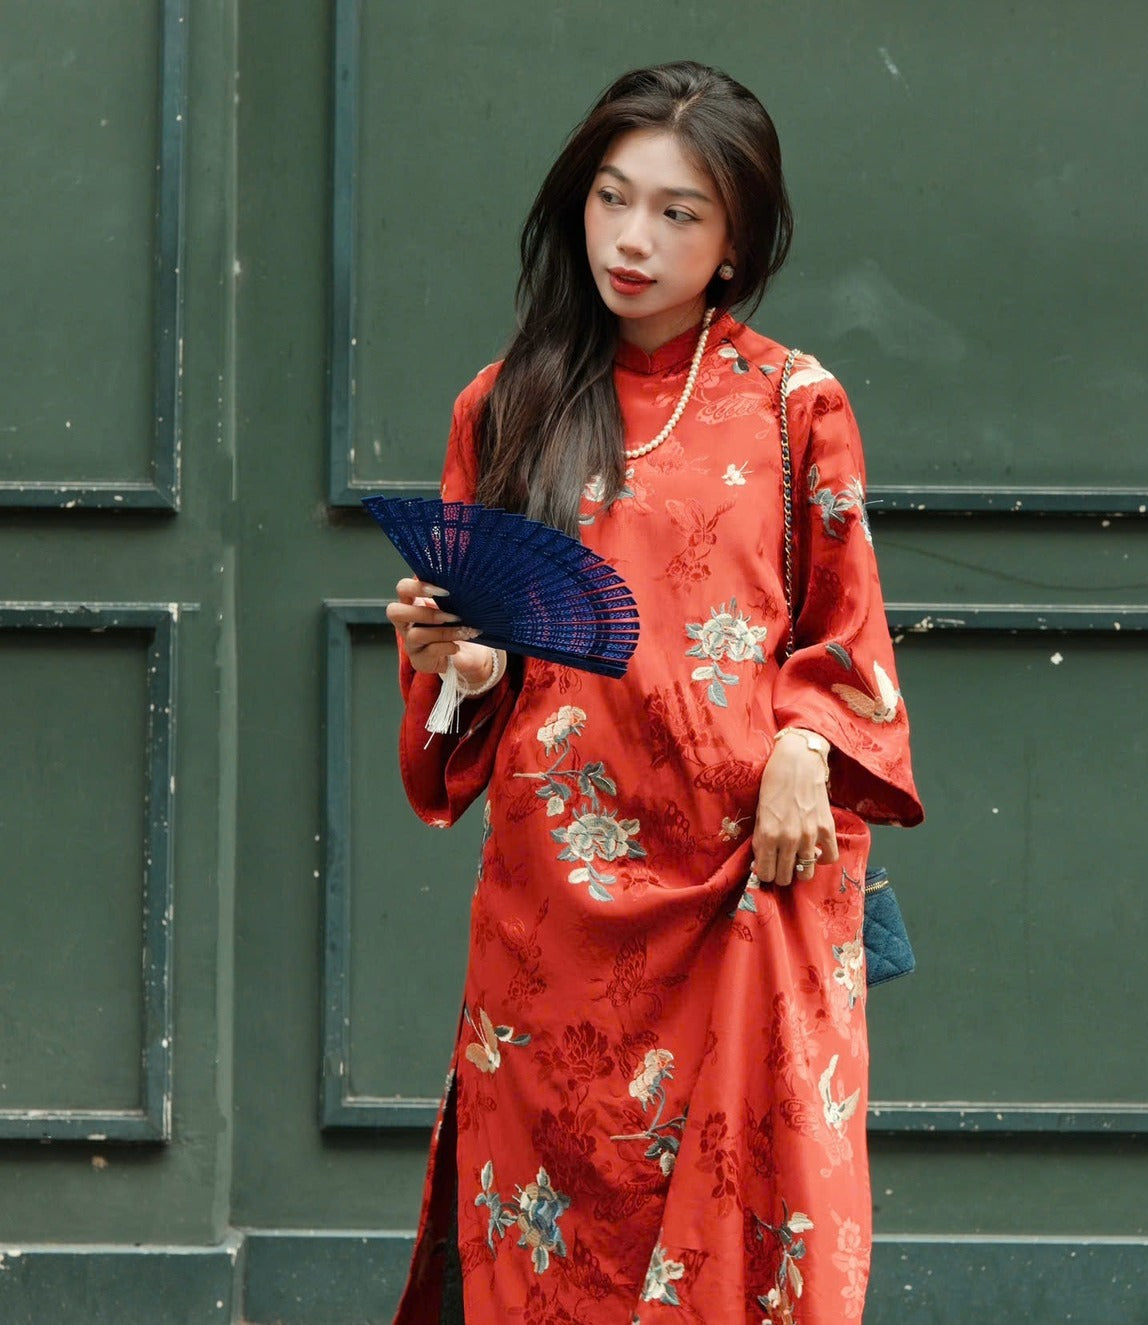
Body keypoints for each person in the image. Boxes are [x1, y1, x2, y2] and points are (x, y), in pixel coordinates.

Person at [385, 60, 922, 1325]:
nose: (634, 238)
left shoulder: (797, 406)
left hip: (739, 888)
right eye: (613, 198)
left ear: (734, 243)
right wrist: (455, 668)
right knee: (547, 1248)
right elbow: (487, 675)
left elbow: (847, 644)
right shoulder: (504, 403)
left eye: (679, 212)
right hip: (553, 916)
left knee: (750, 1244)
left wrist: (804, 741)